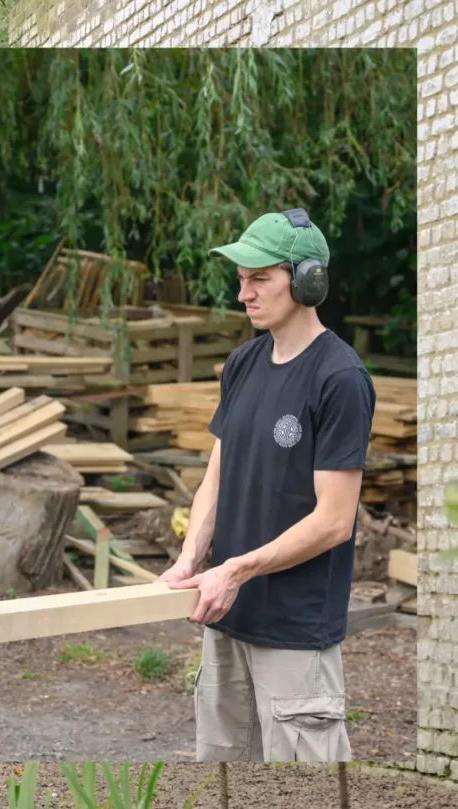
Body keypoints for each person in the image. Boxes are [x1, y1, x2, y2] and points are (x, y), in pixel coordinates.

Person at [158, 209, 374, 762]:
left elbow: (333, 521)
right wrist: (192, 558)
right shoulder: (243, 364)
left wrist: (235, 569)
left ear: (308, 282)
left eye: (260, 278)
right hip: (227, 621)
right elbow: (217, 476)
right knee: (223, 782)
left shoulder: (339, 379)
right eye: (241, 279)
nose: (243, 294)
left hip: (293, 633)